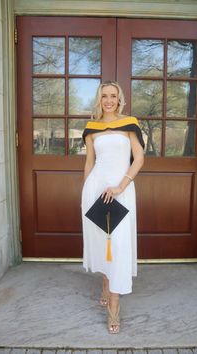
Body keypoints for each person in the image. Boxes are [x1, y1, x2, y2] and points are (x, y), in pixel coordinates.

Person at [81, 80, 144, 334]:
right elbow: (89, 162)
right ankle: (106, 286)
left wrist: (121, 186)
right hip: (96, 190)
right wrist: (87, 192)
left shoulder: (130, 123)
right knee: (102, 244)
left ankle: (114, 307)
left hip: (121, 191)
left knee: (117, 246)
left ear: (120, 99)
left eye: (113, 96)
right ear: (99, 99)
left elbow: (139, 158)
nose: (109, 100)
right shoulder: (91, 128)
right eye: (104, 96)